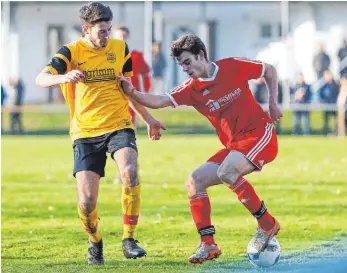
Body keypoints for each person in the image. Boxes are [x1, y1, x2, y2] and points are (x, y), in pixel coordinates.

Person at [118, 34, 282, 264]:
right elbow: (158, 100)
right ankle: (208, 244)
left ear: (201, 55)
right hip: (235, 145)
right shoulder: (192, 89)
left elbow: (270, 70)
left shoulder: (232, 66)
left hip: (259, 134)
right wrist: (132, 92)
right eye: (180, 65)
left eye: (187, 62)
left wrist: (273, 102)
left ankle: (267, 224)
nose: (184, 69)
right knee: (194, 181)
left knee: (227, 172)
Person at [35, 2, 166, 265]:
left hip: (119, 124)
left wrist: (149, 119)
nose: (107, 36)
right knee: (86, 201)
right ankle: (95, 242)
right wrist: (63, 77)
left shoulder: (120, 49)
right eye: (102, 31)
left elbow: (127, 90)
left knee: (129, 171)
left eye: (108, 29)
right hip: (84, 131)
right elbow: (41, 78)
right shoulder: (70, 51)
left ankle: (129, 239)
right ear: (86, 29)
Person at [114, 26, 151, 128]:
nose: (121, 38)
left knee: (130, 118)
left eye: (123, 36)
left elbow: (146, 73)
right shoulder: (108, 55)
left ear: (127, 37)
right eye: (119, 36)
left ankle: (130, 140)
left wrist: (145, 91)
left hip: (131, 91)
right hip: (113, 92)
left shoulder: (136, 55)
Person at [318, 70, 339, 135]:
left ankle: (335, 132)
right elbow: (321, 95)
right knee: (326, 120)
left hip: (334, 105)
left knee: (335, 120)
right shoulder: (324, 86)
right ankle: (325, 132)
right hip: (326, 105)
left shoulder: (335, 85)